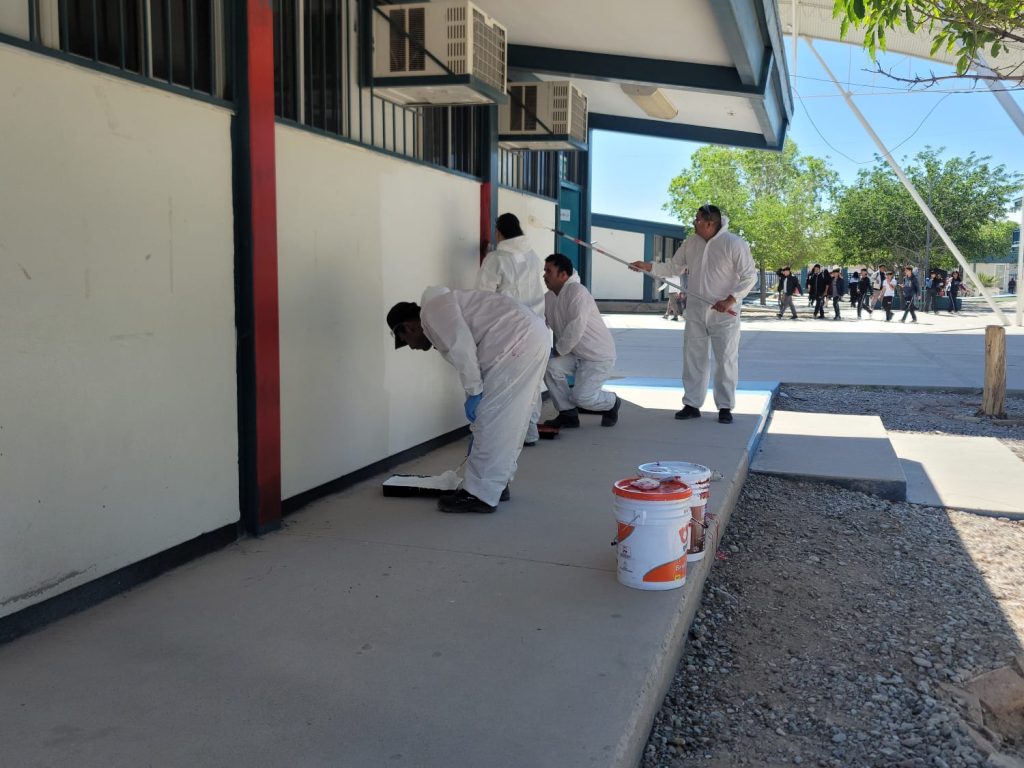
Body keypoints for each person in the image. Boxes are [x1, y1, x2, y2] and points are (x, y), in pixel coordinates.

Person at [386, 287, 548, 513]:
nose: (411, 347)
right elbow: (467, 350)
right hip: (527, 336)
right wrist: (474, 392)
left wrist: (474, 392)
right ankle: (496, 485)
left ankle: (480, 494)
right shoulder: (441, 307)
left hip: (515, 340)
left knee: (492, 421)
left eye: (405, 340)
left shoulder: (433, 312)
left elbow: (462, 348)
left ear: (409, 326)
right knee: (508, 420)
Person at [628, 204, 756, 424]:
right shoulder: (691, 243)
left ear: (710, 223)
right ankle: (692, 403)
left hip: (725, 313)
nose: (694, 223)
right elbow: (673, 268)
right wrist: (648, 266)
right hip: (696, 309)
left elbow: (749, 276)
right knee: (693, 357)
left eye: (697, 220)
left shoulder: (734, 243)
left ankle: (725, 406)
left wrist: (730, 300)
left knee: (725, 359)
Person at [476, 212, 547, 445]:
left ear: (499, 232)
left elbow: (482, 297)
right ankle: (530, 431)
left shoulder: (496, 259)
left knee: (507, 380)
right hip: (538, 328)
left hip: (510, 330)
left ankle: (510, 433)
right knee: (532, 381)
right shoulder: (533, 256)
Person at [542, 254, 621, 428]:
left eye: (549, 271)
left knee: (582, 398)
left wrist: (557, 351)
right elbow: (540, 324)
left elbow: (575, 327)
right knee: (548, 366)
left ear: (563, 275)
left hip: (598, 357)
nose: (544, 275)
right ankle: (567, 413)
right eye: (545, 270)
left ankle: (612, 402)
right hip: (576, 355)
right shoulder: (548, 298)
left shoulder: (578, 292)